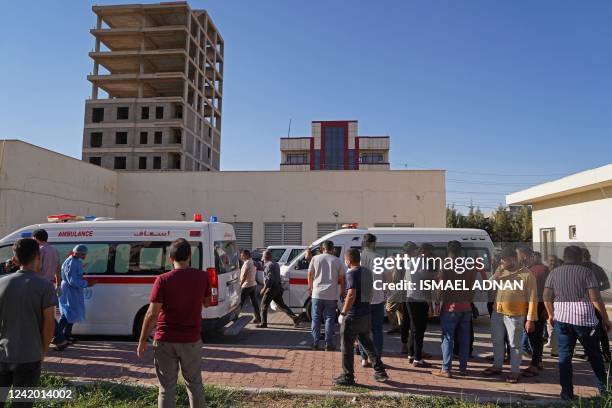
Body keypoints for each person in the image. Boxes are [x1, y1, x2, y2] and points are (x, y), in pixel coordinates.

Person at [136, 238, 211, 408]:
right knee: (194, 384)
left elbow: (151, 314)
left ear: (170, 258)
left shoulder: (162, 280)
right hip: (191, 339)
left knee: (166, 387)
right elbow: (207, 303)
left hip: (165, 340)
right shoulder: (202, 277)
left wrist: (142, 340)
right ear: (189, 257)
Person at [544, 245, 611, 400]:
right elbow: (595, 298)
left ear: (565, 257)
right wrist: (605, 319)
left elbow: (546, 297)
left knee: (564, 356)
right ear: (580, 257)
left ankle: (566, 393)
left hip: (562, 319)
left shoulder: (554, 272)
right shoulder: (587, 272)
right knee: (595, 355)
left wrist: (551, 315)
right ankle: (604, 390)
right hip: (584, 320)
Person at [0, 238, 56, 407]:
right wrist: (43, 351)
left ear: (15, 259)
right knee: (22, 403)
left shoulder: (1, 283)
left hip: (2, 355)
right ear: (38, 256)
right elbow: (49, 326)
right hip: (29, 358)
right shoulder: (45, 286)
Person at [483, 246, 538, 384]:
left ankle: (515, 371)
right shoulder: (501, 271)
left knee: (514, 344)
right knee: (497, 341)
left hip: (515, 315)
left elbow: (533, 299)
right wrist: (497, 274)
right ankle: (497, 365)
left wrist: (530, 319)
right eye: (501, 259)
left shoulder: (527, 275)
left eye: (505, 260)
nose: (502, 262)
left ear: (513, 259)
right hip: (498, 312)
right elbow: (488, 286)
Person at [334, 248, 389, 386]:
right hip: (365, 314)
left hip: (353, 316)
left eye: (345, 260)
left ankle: (348, 376)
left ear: (349, 260)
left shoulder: (351, 273)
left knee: (346, 346)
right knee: (367, 343)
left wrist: (343, 313)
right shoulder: (367, 272)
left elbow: (351, 294)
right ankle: (380, 371)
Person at [433, 240, 475, 378]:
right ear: (460, 251)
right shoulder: (468, 265)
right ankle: (463, 368)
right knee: (464, 339)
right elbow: (472, 286)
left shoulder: (445, 264)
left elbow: (441, 286)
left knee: (447, 338)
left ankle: (446, 369)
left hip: (450, 307)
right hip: (466, 307)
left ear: (448, 250)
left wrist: (437, 304)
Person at [516, 246, 549, 378]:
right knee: (533, 336)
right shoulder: (528, 269)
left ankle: (535, 364)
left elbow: (547, 290)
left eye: (518, 254)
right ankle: (537, 361)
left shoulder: (540, 270)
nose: (517, 257)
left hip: (536, 309)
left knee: (535, 337)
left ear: (524, 255)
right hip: (530, 308)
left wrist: (546, 309)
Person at [32, 229, 67, 351]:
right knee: (47, 313)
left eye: (33, 238)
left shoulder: (40, 251)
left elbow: (37, 268)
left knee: (42, 314)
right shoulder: (54, 250)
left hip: (39, 284)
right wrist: (58, 284)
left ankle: (60, 338)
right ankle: (58, 338)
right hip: (50, 285)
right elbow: (58, 269)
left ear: (36, 238)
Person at [308, 240, 345, 351]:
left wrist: (310, 288)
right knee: (329, 318)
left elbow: (310, 274)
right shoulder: (337, 260)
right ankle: (329, 344)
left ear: (322, 249)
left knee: (316, 318)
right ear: (332, 249)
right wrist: (342, 291)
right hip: (331, 294)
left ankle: (315, 342)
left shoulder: (315, 259)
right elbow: (342, 279)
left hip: (317, 294)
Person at [406, 242, 435, 367]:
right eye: (430, 253)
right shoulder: (420, 262)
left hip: (410, 297)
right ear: (425, 252)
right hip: (418, 299)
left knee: (413, 328)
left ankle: (411, 355)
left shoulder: (411, 262)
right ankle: (418, 359)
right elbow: (427, 277)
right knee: (419, 329)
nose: (431, 256)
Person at [358, 233, 385, 367]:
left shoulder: (359, 257)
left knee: (363, 331)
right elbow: (386, 279)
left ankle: (364, 358)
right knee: (377, 330)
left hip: (362, 300)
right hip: (378, 299)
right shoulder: (380, 258)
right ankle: (377, 358)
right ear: (373, 243)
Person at [58, 245, 93, 344]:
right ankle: (58, 336)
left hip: (70, 289)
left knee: (70, 312)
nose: (84, 256)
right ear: (76, 253)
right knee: (67, 313)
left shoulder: (72, 261)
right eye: (83, 254)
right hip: (71, 290)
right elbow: (73, 281)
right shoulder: (74, 263)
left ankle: (66, 336)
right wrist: (87, 284)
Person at [582, 248, 611, 363]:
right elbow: (607, 284)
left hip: (584, 302)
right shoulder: (597, 268)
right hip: (596, 301)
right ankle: (606, 354)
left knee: (586, 329)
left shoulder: (580, 268)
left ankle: (589, 353)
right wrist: (597, 289)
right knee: (600, 328)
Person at [259, 250, 300, 328]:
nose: (261, 257)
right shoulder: (275, 264)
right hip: (278, 288)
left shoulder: (268, 265)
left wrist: (264, 289)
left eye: (262, 256)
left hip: (271, 289)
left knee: (263, 306)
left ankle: (263, 323)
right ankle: (295, 318)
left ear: (265, 257)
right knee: (282, 305)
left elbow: (270, 279)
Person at [239, 250, 261, 325]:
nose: (241, 256)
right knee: (254, 302)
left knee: (240, 302)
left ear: (246, 255)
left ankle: (234, 317)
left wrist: (240, 284)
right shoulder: (252, 261)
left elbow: (245, 275)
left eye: (242, 255)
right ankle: (258, 318)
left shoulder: (247, 262)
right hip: (252, 284)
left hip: (246, 285)